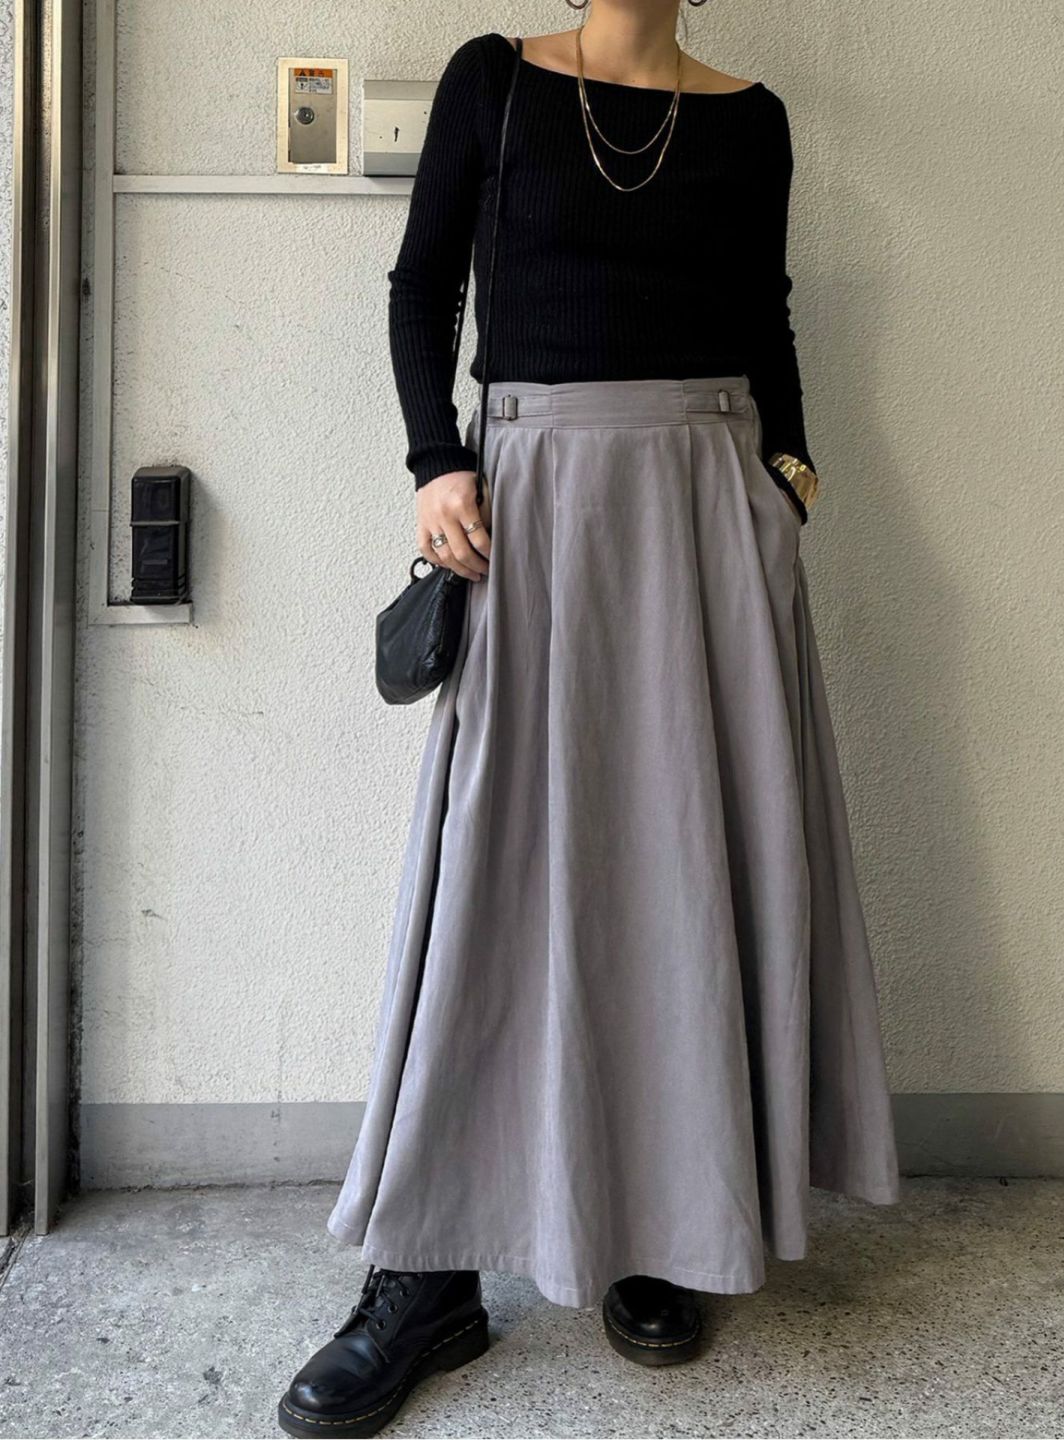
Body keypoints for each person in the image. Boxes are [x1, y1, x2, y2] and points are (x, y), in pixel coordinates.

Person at [279, 7, 900, 1435]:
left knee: (678, 881)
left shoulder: (752, 117)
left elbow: (764, 312)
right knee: (494, 880)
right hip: (536, 510)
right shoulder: (494, 80)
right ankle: (425, 1276)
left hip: (709, 520)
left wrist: (790, 481)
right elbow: (423, 283)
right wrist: (435, 460)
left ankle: (662, 1225)